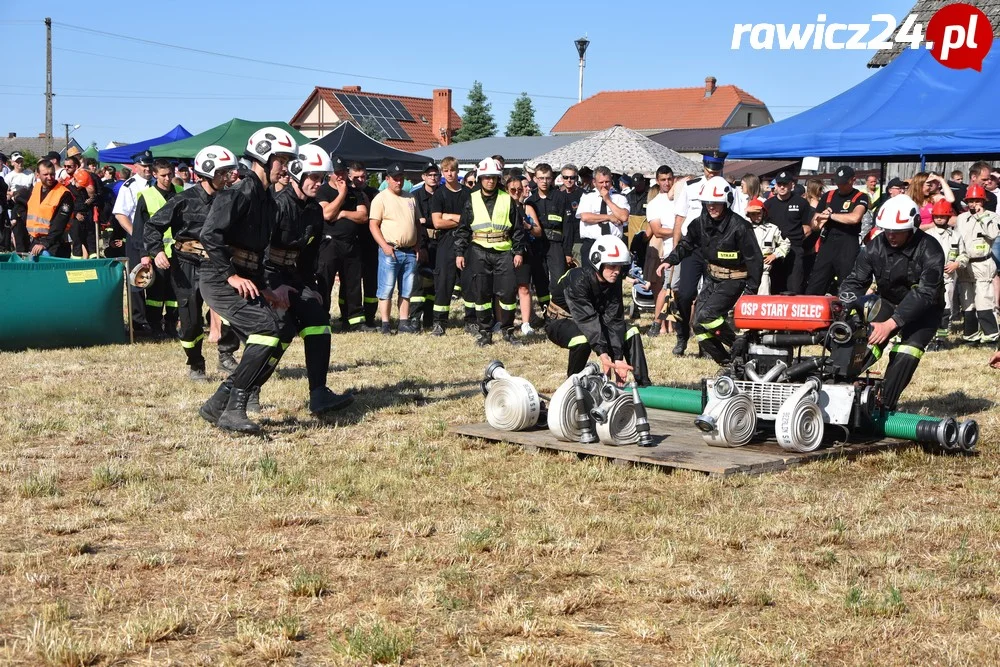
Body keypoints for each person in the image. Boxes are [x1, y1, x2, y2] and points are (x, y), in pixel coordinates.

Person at [197, 126, 299, 434]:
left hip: (246, 277)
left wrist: (266, 287)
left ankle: (217, 404)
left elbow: (258, 251)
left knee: (283, 329)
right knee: (267, 329)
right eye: (281, 159)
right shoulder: (238, 192)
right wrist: (231, 275)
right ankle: (234, 409)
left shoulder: (267, 199)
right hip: (219, 278)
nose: (286, 167)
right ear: (263, 159)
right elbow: (209, 235)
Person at [265, 144, 353, 414]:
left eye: (321, 177)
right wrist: (272, 286)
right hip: (268, 279)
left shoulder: (314, 210)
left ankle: (319, 394)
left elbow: (308, 256)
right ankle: (245, 392)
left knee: (318, 322)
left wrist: (310, 287)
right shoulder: (276, 206)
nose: (319, 183)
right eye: (313, 177)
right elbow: (261, 250)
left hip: (295, 278)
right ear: (296, 174)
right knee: (276, 334)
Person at [144, 145, 242, 380]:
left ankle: (226, 355)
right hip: (186, 264)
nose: (228, 176)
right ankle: (196, 364)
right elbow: (153, 226)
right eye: (223, 172)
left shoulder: (230, 199)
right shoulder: (183, 200)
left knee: (230, 311)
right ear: (207, 172)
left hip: (219, 265)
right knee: (190, 320)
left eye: (229, 171)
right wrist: (156, 251)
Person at [838, 194, 944, 411]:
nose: (891, 236)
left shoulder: (931, 249)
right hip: (888, 301)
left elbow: (925, 293)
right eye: (887, 230)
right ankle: (839, 386)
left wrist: (891, 324)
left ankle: (883, 404)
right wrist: (843, 307)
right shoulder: (874, 247)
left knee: (907, 352)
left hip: (925, 309)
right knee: (864, 342)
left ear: (913, 227)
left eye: (897, 231)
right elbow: (856, 281)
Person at [657, 176, 763, 364]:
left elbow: (755, 260)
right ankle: (727, 362)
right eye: (708, 203)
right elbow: (687, 244)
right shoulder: (699, 222)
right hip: (712, 278)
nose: (711, 207)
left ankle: (740, 345)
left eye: (716, 203)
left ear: (726, 202)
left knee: (707, 316)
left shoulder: (740, 226)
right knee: (698, 325)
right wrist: (670, 260)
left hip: (734, 280)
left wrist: (750, 291)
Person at [546, 234, 650, 386]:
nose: (616, 271)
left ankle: (644, 385)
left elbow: (614, 319)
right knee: (582, 339)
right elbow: (587, 320)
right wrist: (604, 354)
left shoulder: (613, 280)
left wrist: (618, 357)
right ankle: (572, 387)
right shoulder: (578, 279)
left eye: (619, 266)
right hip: (560, 321)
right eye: (612, 266)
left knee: (631, 332)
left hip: (591, 320)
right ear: (597, 262)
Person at [453, 156, 526, 346]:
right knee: (482, 294)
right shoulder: (471, 199)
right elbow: (463, 229)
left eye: (493, 177)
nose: (490, 180)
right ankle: (485, 331)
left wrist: (518, 252)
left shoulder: (507, 199)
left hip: (504, 252)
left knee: (508, 294)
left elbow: (517, 229)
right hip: (479, 252)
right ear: (480, 178)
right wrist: (460, 252)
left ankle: (508, 330)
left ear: (498, 178)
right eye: (486, 177)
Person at [670, 151, 729, 355]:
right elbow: (680, 219)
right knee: (685, 294)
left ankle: (705, 342)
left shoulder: (729, 189)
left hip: (717, 249)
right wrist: (675, 252)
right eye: (709, 170)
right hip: (693, 247)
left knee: (710, 299)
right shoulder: (690, 187)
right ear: (703, 168)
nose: (712, 174)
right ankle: (682, 335)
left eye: (717, 170)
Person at [369, 162, 424, 335]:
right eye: (395, 179)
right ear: (387, 179)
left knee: (406, 290)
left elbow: (417, 223)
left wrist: (417, 244)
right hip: (390, 251)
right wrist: (384, 246)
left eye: (401, 178)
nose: (398, 182)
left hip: (409, 251)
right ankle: (385, 324)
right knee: (386, 289)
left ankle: (403, 322)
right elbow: (373, 225)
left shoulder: (410, 197)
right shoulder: (381, 198)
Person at [316, 157, 369, 332]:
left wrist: (345, 213)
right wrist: (341, 195)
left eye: (343, 173)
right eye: (337, 173)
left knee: (353, 285)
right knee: (325, 282)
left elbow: (363, 216)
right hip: (329, 244)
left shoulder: (356, 193)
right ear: (330, 174)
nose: (341, 176)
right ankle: (322, 318)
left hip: (351, 244)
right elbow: (327, 214)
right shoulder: (322, 191)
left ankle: (354, 320)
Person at [133, 159, 182, 337]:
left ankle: (171, 325)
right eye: (163, 175)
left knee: (175, 293)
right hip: (156, 253)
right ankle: (154, 326)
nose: (168, 178)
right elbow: (139, 229)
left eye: (170, 174)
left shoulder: (181, 193)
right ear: (154, 175)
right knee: (155, 294)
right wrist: (144, 254)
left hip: (178, 252)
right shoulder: (146, 196)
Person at [806, 166, 869, 296]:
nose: (840, 186)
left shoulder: (860, 196)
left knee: (847, 285)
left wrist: (830, 216)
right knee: (816, 282)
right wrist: (819, 221)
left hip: (848, 243)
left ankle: (848, 313)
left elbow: (855, 217)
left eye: (844, 182)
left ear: (853, 180)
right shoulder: (828, 196)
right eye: (838, 182)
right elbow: (814, 224)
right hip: (828, 242)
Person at [429, 156, 474, 335]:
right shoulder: (439, 194)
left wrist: (450, 217)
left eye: (452, 170)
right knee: (443, 283)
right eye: (446, 171)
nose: (449, 174)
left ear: (457, 171)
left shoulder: (468, 194)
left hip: (467, 242)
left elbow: (471, 221)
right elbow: (437, 223)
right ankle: (439, 323)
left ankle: (471, 321)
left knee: (469, 282)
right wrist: (459, 220)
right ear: (442, 172)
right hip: (446, 242)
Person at [524, 162, 572, 327]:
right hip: (537, 245)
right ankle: (546, 315)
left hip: (556, 244)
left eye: (547, 178)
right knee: (540, 280)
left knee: (558, 280)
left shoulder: (561, 198)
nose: (544, 181)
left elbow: (568, 226)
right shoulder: (530, 201)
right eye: (540, 178)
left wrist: (567, 252)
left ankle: (559, 313)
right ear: (535, 179)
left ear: (552, 179)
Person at [113, 150, 155, 335]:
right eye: (144, 166)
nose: (147, 169)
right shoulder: (129, 186)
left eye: (149, 165)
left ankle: (155, 319)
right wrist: (136, 235)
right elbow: (121, 214)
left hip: (156, 238)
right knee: (137, 280)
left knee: (156, 279)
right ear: (135, 167)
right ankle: (138, 321)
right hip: (136, 238)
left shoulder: (156, 183)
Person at [954, 184, 1000, 344]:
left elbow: (993, 233)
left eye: (977, 200)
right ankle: (970, 335)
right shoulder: (961, 218)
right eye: (971, 201)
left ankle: (991, 336)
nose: (973, 204)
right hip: (965, 265)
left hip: (983, 264)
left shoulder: (992, 217)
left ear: (983, 200)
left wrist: (982, 217)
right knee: (967, 302)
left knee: (984, 301)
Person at [506, 175, 545, 334]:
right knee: (504, 289)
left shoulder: (527, 208)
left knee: (524, 288)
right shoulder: (502, 207)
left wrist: (528, 226)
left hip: (525, 251)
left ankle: (526, 323)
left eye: (519, 190)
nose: (516, 192)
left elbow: (538, 231)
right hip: (504, 251)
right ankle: (503, 321)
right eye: (513, 190)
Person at [347, 161, 381, 328]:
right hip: (351, 242)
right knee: (350, 282)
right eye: (356, 177)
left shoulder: (373, 192)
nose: (360, 180)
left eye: (363, 177)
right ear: (349, 176)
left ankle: (370, 316)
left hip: (369, 243)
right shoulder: (345, 192)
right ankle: (348, 315)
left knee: (371, 282)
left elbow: (375, 215)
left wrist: (367, 202)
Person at [644, 165, 677, 337]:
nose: (667, 182)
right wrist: (679, 231)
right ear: (657, 181)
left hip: (683, 248)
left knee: (678, 291)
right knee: (664, 288)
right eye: (663, 180)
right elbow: (657, 230)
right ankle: (659, 324)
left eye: (669, 179)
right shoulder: (655, 203)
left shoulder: (680, 198)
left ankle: (673, 325)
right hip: (667, 250)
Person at [924, 198, 963, 344]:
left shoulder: (956, 236)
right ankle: (929, 337)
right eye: (937, 216)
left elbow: (963, 254)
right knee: (928, 308)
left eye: (942, 216)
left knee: (947, 309)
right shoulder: (928, 235)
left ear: (948, 216)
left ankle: (941, 338)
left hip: (948, 278)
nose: (939, 219)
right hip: (930, 279)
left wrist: (957, 263)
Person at [576, 166, 629, 269]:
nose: (604, 185)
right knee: (590, 278)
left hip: (613, 243)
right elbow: (585, 217)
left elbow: (624, 217)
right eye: (601, 182)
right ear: (594, 182)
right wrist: (610, 217)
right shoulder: (587, 197)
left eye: (607, 182)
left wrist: (608, 200)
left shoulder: (619, 198)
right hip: (592, 242)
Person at [409, 160, 440, 331]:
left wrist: (427, 221)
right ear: (423, 177)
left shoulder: (443, 194)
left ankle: (430, 318)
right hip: (424, 243)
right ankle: (415, 318)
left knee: (435, 282)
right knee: (419, 284)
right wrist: (420, 247)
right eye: (430, 175)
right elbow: (416, 222)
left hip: (440, 243)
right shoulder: (415, 196)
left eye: (436, 174)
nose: (433, 177)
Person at [24, 159, 74, 258]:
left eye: (52, 174)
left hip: (55, 243)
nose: (50, 177)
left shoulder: (64, 194)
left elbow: (60, 223)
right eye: (45, 174)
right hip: (36, 241)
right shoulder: (36, 188)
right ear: (37, 175)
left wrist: (45, 243)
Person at [746, 198, 789, 295]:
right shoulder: (744, 228)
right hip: (746, 272)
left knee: (763, 300)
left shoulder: (772, 229)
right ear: (749, 215)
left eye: (759, 213)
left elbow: (786, 243)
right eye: (753, 214)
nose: (756, 216)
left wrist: (774, 255)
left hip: (764, 272)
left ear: (764, 213)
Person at [559, 164, 584, 265]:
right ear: (561, 178)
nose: (569, 180)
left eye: (572, 177)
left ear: (576, 178)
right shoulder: (558, 195)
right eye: (566, 177)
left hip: (578, 240)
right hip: (562, 241)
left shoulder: (583, 195)